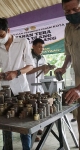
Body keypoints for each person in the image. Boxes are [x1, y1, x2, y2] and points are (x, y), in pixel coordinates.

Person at [0, 18, 34, 150]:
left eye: (2, 35)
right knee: (5, 121)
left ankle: (27, 148)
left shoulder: (22, 42)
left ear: (8, 30)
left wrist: (16, 73)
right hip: (5, 90)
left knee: (23, 122)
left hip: (21, 89)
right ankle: (7, 147)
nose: (0, 39)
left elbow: (30, 66)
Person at [54, 0, 80, 148]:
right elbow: (69, 54)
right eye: (67, 12)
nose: (71, 14)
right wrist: (64, 68)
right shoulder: (68, 29)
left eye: (75, 10)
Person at [26, 38, 55, 142]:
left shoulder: (43, 58)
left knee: (39, 108)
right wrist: (40, 67)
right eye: (39, 46)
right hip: (29, 87)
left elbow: (44, 73)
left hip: (39, 88)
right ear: (33, 46)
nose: (41, 49)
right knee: (31, 110)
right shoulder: (27, 57)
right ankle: (32, 134)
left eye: (42, 47)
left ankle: (38, 128)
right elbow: (27, 72)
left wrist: (47, 68)